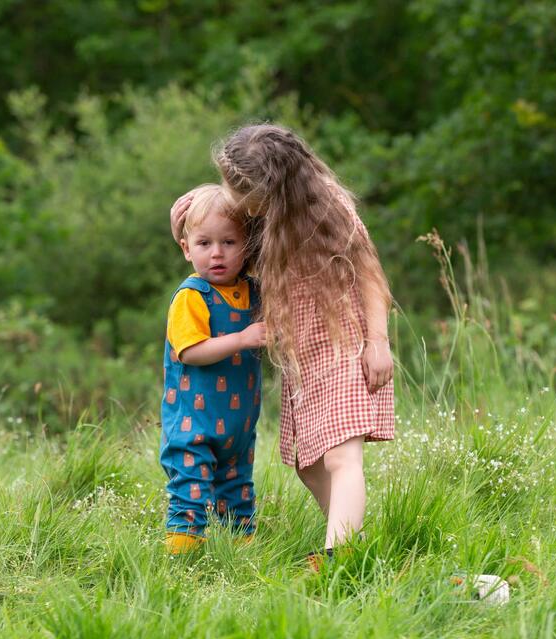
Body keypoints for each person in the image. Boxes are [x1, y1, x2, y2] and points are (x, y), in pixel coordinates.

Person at [170, 125, 394, 564]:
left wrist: (377, 343)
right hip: (301, 355)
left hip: (343, 340)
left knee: (341, 456)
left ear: (269, 187)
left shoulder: (330, 208)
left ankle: (339, 554)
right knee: (308, 463)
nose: (232, 197)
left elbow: (370, 275)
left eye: (237, 190)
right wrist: (185, 215)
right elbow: (218, 249)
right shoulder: (265, 215)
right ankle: (356, 549)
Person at [161, 183, 267, 555]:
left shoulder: (253, 291)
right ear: (186, 248)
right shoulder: (192, 296)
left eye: (229, 242)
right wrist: (243, 338)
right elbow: (190, 352)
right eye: (204, 244)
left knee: (237, 488)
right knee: (190, 490)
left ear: (247, 247)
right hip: (193, 423)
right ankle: (181, 560)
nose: (217, 254)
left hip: (238, 424)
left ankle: (240, 556)